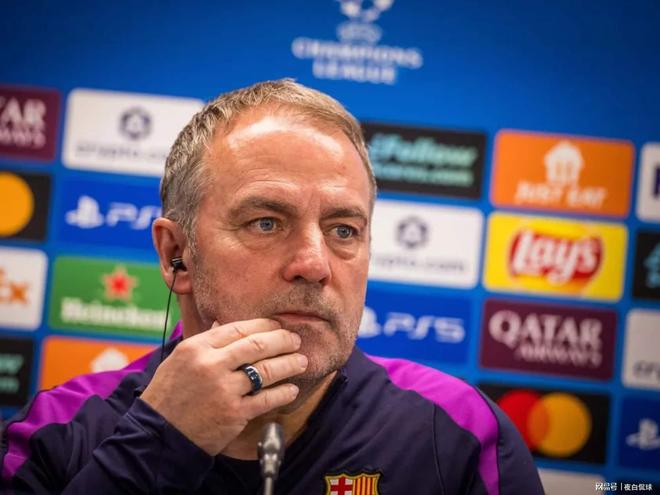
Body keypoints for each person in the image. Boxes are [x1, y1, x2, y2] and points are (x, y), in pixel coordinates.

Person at [0, 79, 544, 495]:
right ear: (176, 255)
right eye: (266, 222)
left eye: (343, 230)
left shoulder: (458, 433)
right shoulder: (55, 436)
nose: (314, 264)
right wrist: (156, 445)